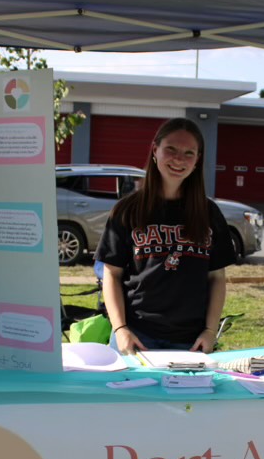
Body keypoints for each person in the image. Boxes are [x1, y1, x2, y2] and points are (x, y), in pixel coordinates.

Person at [95, 117, 237, 355]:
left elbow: (217, 279)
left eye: (188, 153)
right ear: (155, 150)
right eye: (170, 149)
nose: (179, 159)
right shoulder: (127, 210)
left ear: (197, 160)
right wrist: (120, 329)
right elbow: (111, 274)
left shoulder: (209, 213)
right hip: (136, 336)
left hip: (191, 342)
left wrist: (210, 331)